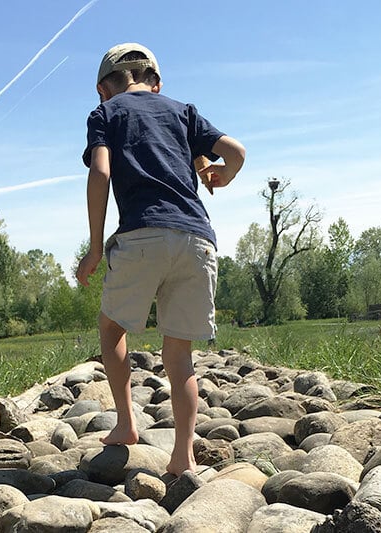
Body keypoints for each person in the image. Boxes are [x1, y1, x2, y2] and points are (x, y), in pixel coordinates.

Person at [75, 43, 246, 476]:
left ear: (102, 90)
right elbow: (237, 152)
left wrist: (95, 247)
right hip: (196, 239)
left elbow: (100, 173)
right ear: (156, 82)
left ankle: (127, 424)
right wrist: (219, 173)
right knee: (179, 354)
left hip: (141, 236)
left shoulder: (106, 115)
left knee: (112, 326)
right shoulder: (182, 111)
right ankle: (182, 455)